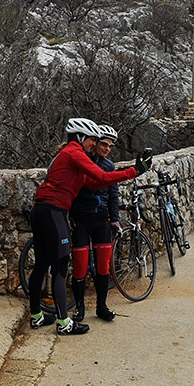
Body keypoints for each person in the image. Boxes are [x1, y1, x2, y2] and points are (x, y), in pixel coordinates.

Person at [28, 118, 151, 335]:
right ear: (80, 137)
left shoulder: (70, 156)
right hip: (54, 212)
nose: (94, 144)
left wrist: (132, 170)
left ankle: (36, 316)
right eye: (92, 140)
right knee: (60, 267)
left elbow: (96, 182)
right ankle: (64, 323)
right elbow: (101, 175)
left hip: (42, 211)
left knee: (41, 265)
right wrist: (135, 171)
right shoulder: (74, 152)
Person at [69, 124, 121, 324]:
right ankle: (79, 308)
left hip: (101, 221)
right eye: (104, 144)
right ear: (95, 143)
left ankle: (102, 307)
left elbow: (113, 195)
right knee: (80, 266)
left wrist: (115, 220)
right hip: (80, 220)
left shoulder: (109, 166)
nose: (107, 149)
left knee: (103, 267)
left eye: (110, 146)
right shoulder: (81, 161)